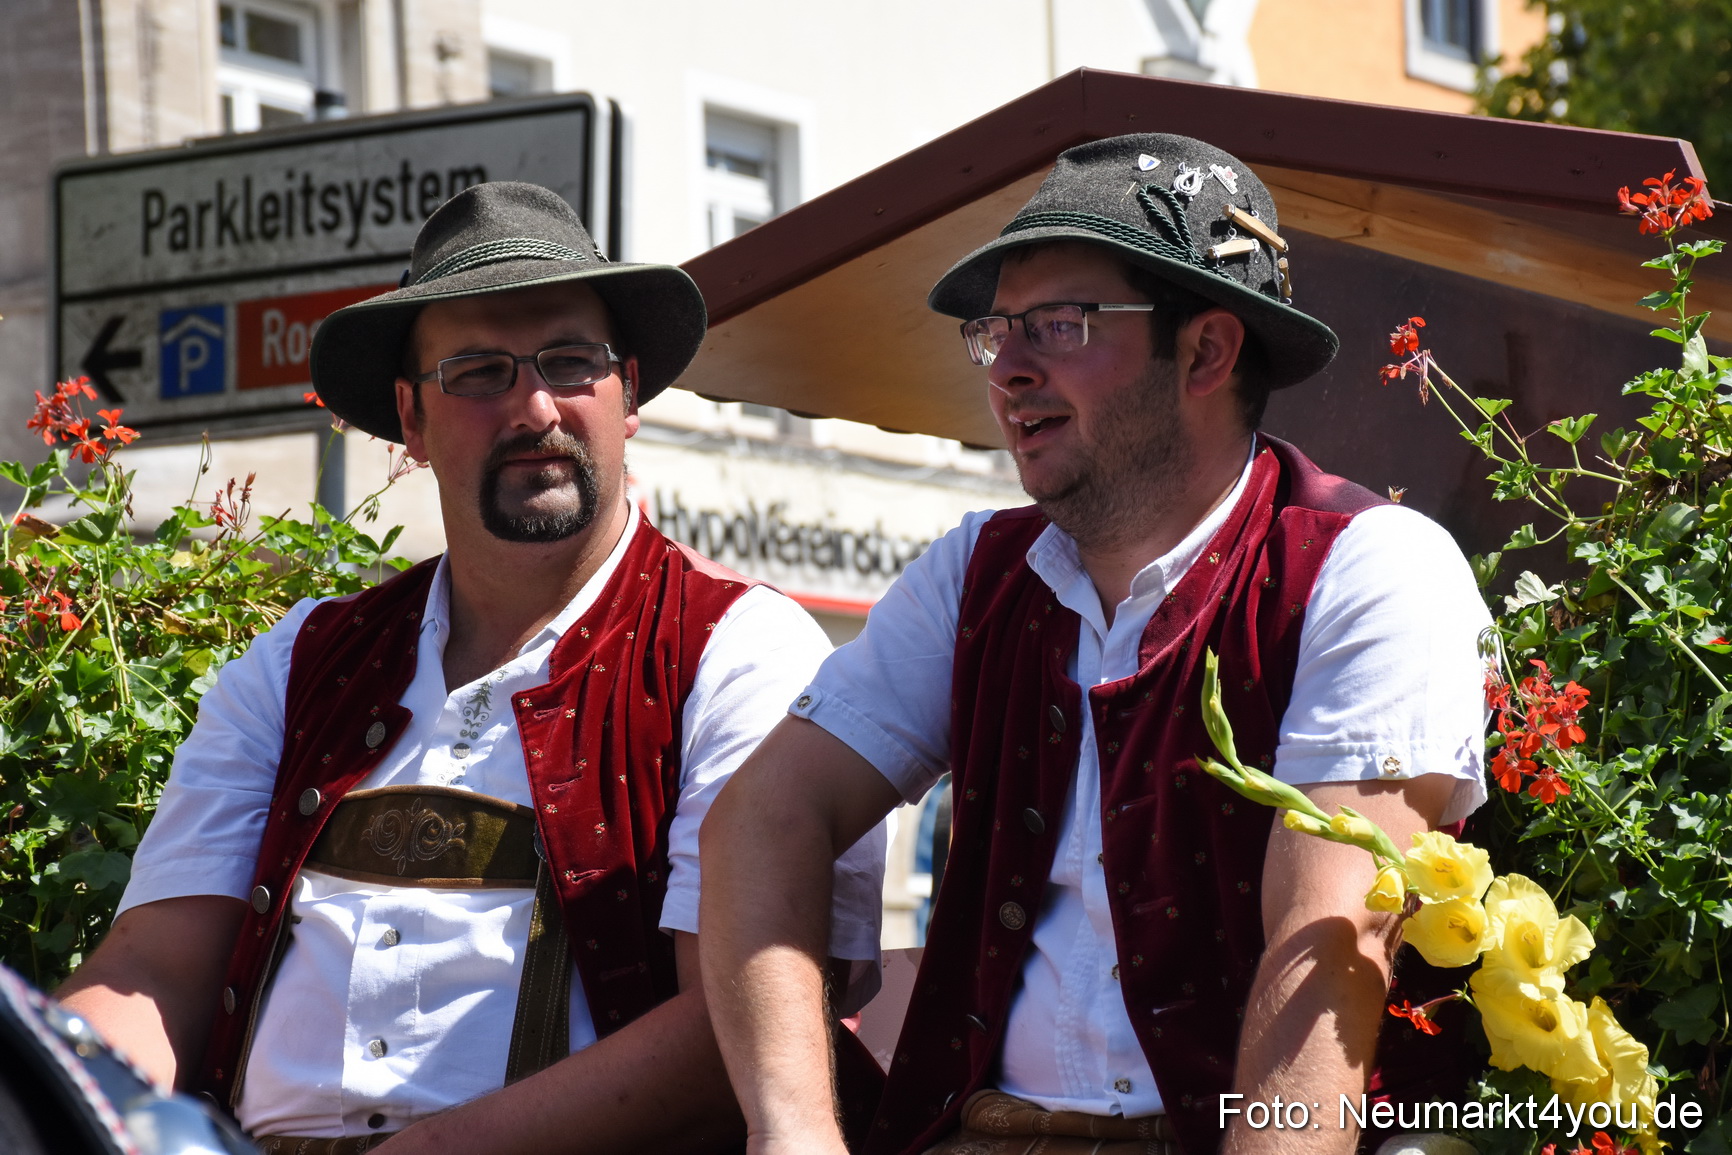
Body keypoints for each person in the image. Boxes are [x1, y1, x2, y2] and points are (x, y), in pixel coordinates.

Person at [700, 134, 1493, 1155]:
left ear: (1206, 352)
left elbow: (1327, 951)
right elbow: (765, 817)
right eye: (996, 333)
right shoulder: (974, 572)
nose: (1010, 370)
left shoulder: (1368, 568)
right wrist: (794, 1133)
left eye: (1061, 325)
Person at [57, 181, 885, 1154]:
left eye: (571, 362)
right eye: (479, 373)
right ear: (410, 421)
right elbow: (156, 966)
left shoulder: (738, 647)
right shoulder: (301, 660)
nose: (536, 407)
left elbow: (747, 1019)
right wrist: (54, 1087)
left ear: (629, 395)